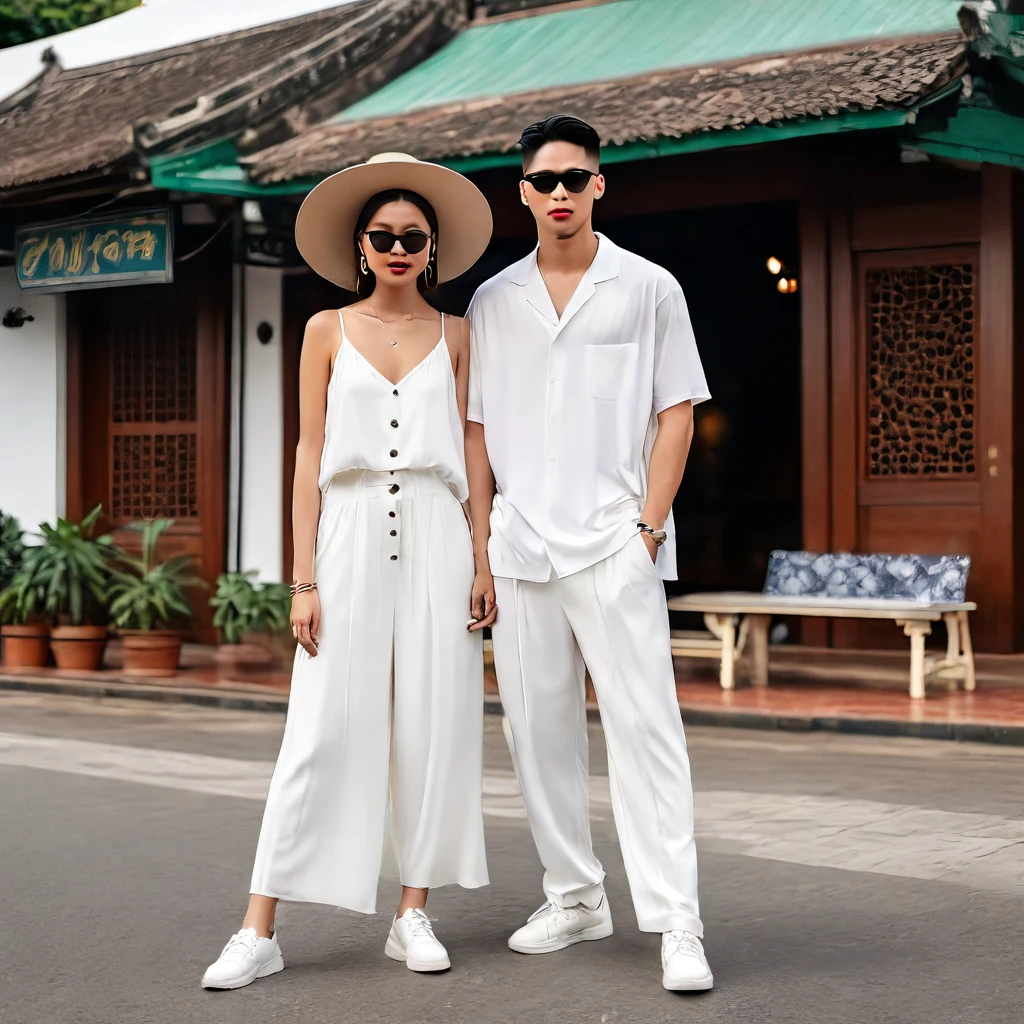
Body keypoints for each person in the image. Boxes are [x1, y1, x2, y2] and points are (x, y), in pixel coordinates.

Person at [202, 153, 494, 990]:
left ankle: (412, 913)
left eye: (414, 236)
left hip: (440, 532)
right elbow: (307, 454)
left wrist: (482, 559)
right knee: (320, 730)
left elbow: (475, 451)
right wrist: (303, 578)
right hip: (350, 529)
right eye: (384, 236)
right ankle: (260, 928)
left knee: (435, 725)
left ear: (432, 248)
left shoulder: (460, 334)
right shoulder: (325, 329)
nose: (398, 247)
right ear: (362, 246)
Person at [465, 115, 714, 992]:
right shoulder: (493, 301)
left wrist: (648, 525)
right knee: (538, 735)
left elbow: (677, 410)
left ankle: (677, 921)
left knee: (647, 731)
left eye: (576, 177)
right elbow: (479, 432)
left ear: (600, 184)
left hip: (616, 540)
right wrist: (482, 553)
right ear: (522, 193)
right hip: (522, 544)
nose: (561, 192)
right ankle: (575, 897)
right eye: (544, 181)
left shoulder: (649, 288)